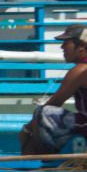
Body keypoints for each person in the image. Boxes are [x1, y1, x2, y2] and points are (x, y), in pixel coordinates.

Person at [20, 23, 87, 154]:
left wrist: (27, 130)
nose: (62, 47)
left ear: (81, 47)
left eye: (66, 43)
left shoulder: (81, 70)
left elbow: (56, 102)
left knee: (42, 113)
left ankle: (44, 161)